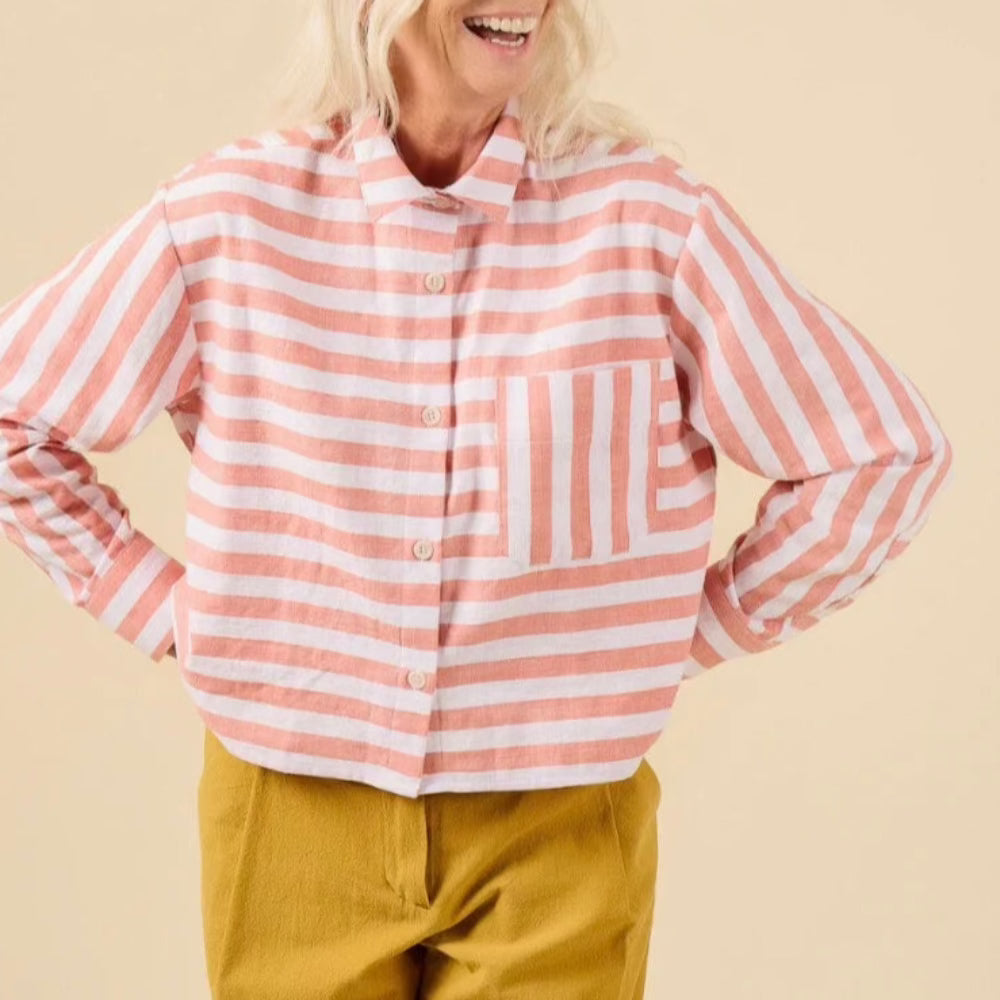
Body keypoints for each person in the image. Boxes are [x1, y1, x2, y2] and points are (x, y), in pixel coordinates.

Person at [0, 1, 954, 997]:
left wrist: (696, 629)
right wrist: (167, 613)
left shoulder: (650, 223)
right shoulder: (229, 217)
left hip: (559, 818)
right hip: (287, 804)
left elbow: (881, 453)